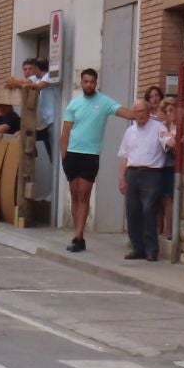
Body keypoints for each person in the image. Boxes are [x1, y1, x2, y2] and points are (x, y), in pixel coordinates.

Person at [57, 68, 136, 254]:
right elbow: (65, 132)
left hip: (90, 155)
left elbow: (125, 112)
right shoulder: (73, 104)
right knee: (75, 195)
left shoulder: (104, 102)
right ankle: (77, 235)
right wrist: (64, 157)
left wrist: (142, 113)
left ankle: (79, 236)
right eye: (86, 82)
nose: (89, 85)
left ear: (96, 83)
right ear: (81, 82)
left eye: (92, 82)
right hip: (72, 154)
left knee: (84, 194)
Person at [116, 97, 173, 262]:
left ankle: (151, 249)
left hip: (152, 174)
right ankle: (137, 248)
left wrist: (172, 139)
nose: (139, 114)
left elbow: (167, 141)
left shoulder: (157, 127)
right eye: (137, 111)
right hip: (133, 173)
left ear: (148, 112)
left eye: (142, 111)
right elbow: (124, 156)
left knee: (148, 210)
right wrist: (121, 178)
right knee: (132, 211)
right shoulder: (130, 131)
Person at [146, 86, 179, 252]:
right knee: (158, 200)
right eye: (167, 111)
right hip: (158, 166)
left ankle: (168, 230)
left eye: (171, 110)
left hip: (169, 167)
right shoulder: (161, 126)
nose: (168, 114)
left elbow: (174, 146)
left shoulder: (173, 128)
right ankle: (158, 229)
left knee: (167, 199)